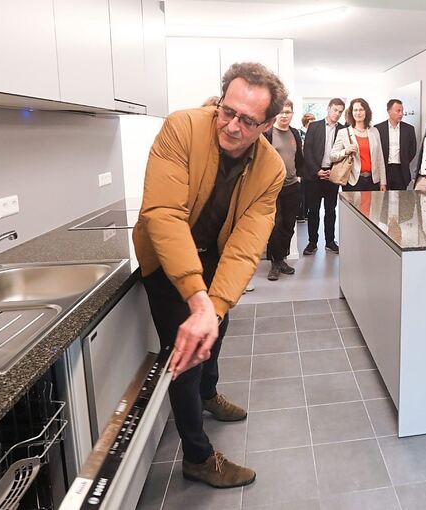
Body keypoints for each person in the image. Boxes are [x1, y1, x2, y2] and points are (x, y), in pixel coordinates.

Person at [133, 62, 287, 488]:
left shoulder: (271, 168)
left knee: (218, 327)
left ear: (269, 123)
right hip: (167, 257)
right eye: (227, 111)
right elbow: (163, 214)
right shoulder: (181, 127)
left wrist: (214, 306)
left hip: (216, 255)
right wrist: (197, 302)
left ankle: (207, 395)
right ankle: (197, 457)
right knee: (186, 351)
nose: (233, 126)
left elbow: (246, 245)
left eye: (248, 120)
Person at [263, 100, 305, 281]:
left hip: (292, 186)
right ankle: (275, 261)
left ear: (292, 113)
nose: (284, 115)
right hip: (273, 188)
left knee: (288, 226)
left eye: (288, 112)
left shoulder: (294, 133)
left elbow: (299, 158)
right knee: (276, 225)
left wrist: (300, 176)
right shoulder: (267, 133)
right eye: (281, 112)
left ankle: (281, 259)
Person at [301, 98, 345, 255]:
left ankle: (330, 241)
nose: (337, 114)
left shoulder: (344, 129)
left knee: (331, 210)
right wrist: (317, 170)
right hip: (314, 176)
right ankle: (312, 242)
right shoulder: (314, 126)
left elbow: (343, 154)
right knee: (313, 211)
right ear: (328, 109)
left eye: (340, 111)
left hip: (332, 176)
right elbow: (307, 151)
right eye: (335, 110)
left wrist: (332, 172)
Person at [331, 98, 387, 192]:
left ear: (366, 112)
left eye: (361, 109)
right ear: (351, 113)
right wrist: (346, 151)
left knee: (372, 207)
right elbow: (333, 156)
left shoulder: (374, 131)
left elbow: (380, 158)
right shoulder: (343, 132)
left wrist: (383, 182)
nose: (358, 113)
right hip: (353, 181)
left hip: (373, 181)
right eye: (355, 110)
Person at [375, 99, 418, 190]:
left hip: (401, 171)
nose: (401, 114)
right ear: (389, 111)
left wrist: (404, 160)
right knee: (383, 201)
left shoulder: (409, 129)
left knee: (400, 201)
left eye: (402, 111)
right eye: (398, 111)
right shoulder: (378, 129)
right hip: (384, 170)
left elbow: (412, 150)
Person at [296, 113, 315, 223]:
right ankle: (301, 214)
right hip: (303, 165)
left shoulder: (314, 133)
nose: (312, 122)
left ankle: (306, 212)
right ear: (306, 122)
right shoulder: (299, 132)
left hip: (311, 167)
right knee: (301, 191)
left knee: (308, 191)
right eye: (310, 120)